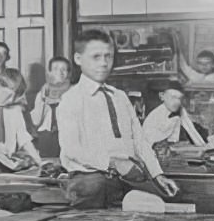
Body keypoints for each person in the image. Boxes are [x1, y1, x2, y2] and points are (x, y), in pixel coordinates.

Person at [56, 30, 179, 208]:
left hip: (127, 177)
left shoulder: (120, 97)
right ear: (78, 59)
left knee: (168, 201)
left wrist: (157, 174)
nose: (104, 63)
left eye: (109, 56)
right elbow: (71, 149)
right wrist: (113, 163)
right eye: (96, 57)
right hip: (91, 180)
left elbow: (140, 140)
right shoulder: (71, 99)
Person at [142, 79, 207, 149]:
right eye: (173, 97)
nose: (177, 102)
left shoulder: (179, 109)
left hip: (168, 148)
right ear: (162, 96)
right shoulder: (156, 115)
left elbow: (190, 129)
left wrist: (203, 146)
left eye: (180, 98)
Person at [30, 56, 73, 158]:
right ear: (49, 72)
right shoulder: (43, 92)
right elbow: (36, 121)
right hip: (46, 136)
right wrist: (43, 101)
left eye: (64, 69)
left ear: (68, 73)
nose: (60, 72)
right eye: (56, 69)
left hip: (68, 135)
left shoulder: (74, 92)